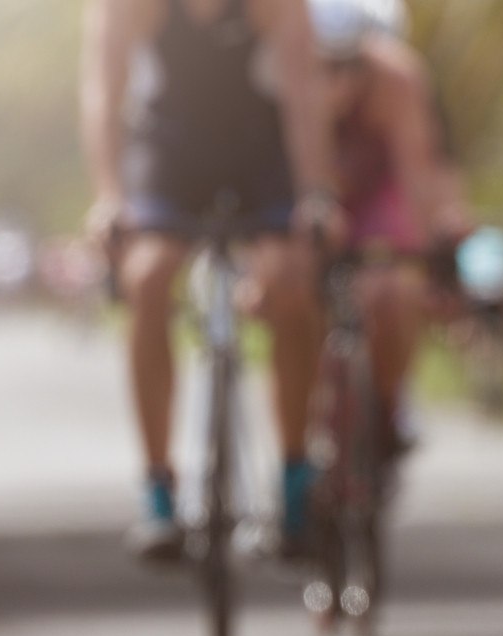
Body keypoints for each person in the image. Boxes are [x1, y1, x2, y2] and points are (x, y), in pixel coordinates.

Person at [79, 0, 342, 560]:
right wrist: (108, 195)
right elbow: (104, 91)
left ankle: (295, 479)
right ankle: (157, 491)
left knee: (290, 282)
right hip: (167, 148)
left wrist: (316, 192)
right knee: (147, 277)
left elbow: (302, 94)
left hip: (257, 150)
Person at [307, 0, 470, 454]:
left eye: (345, 65)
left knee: (394, 289)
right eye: (321, 64)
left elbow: (416, 174)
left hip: (381, 190)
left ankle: (390, 399)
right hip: (317, 190)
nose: (334, 79)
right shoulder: (286, 71)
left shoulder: (397, 78)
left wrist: (428, 254)